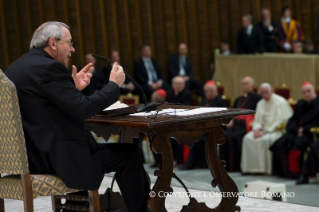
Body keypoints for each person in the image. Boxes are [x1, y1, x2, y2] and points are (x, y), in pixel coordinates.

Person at [5, 22, 150, 212]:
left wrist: (71, 89)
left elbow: (42, 107)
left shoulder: (16, 67)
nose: (72, 49)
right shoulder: (49, 68)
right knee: (129, 153)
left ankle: (75, 208)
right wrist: (114, 85)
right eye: (69, 43)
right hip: (54, 158)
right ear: (53, 43)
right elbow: (83, 109)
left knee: (87, 145)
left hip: (29, 156)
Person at [241, 83, 292, 174]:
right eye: (262, 93)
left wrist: (266, 132)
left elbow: (283, 120)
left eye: (266, 92)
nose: (265, 95)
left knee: (265, 140)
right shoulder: (260, 103)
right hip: (261, 130)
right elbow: (257, 120)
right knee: (247, 138)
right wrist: (256, 130)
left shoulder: (280, 102)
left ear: (271, 91)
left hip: (275, 131)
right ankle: (249, 169)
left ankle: (264, 169)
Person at [270, 82, 319, 178]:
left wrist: (304, 129)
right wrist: (296, 129)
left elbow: (317, 122)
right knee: (280, 143)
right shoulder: (300, 103)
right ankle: (282, 172)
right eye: (304, 92)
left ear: (314, 91)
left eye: (309, 91)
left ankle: (296, 173)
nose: (306, 94)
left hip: (310, 134)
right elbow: (293, 119)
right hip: (297, 132)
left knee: (296, 143)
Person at [181, 80, 226, 170]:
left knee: (198, 138)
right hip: (203, 128)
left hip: (214, 127)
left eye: (211, 91)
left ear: (215, 91)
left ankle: (193, 164)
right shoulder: (204, 101)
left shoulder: (219, 100)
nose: (209, 93)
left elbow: (221, 117)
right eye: (206, 91)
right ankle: (195, 163)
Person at [220, 76, 262, 172]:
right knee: (224, 136)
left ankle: (237, 166)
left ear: (252, 86)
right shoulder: (237, 99)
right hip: (235, 125)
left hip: (246, 126)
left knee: (236, 137)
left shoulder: (257, 99)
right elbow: (232, 113)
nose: (244, 86)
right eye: (242, 84)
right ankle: (226, 165)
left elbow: (258, 114)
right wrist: (229, 120)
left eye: (246, 84)